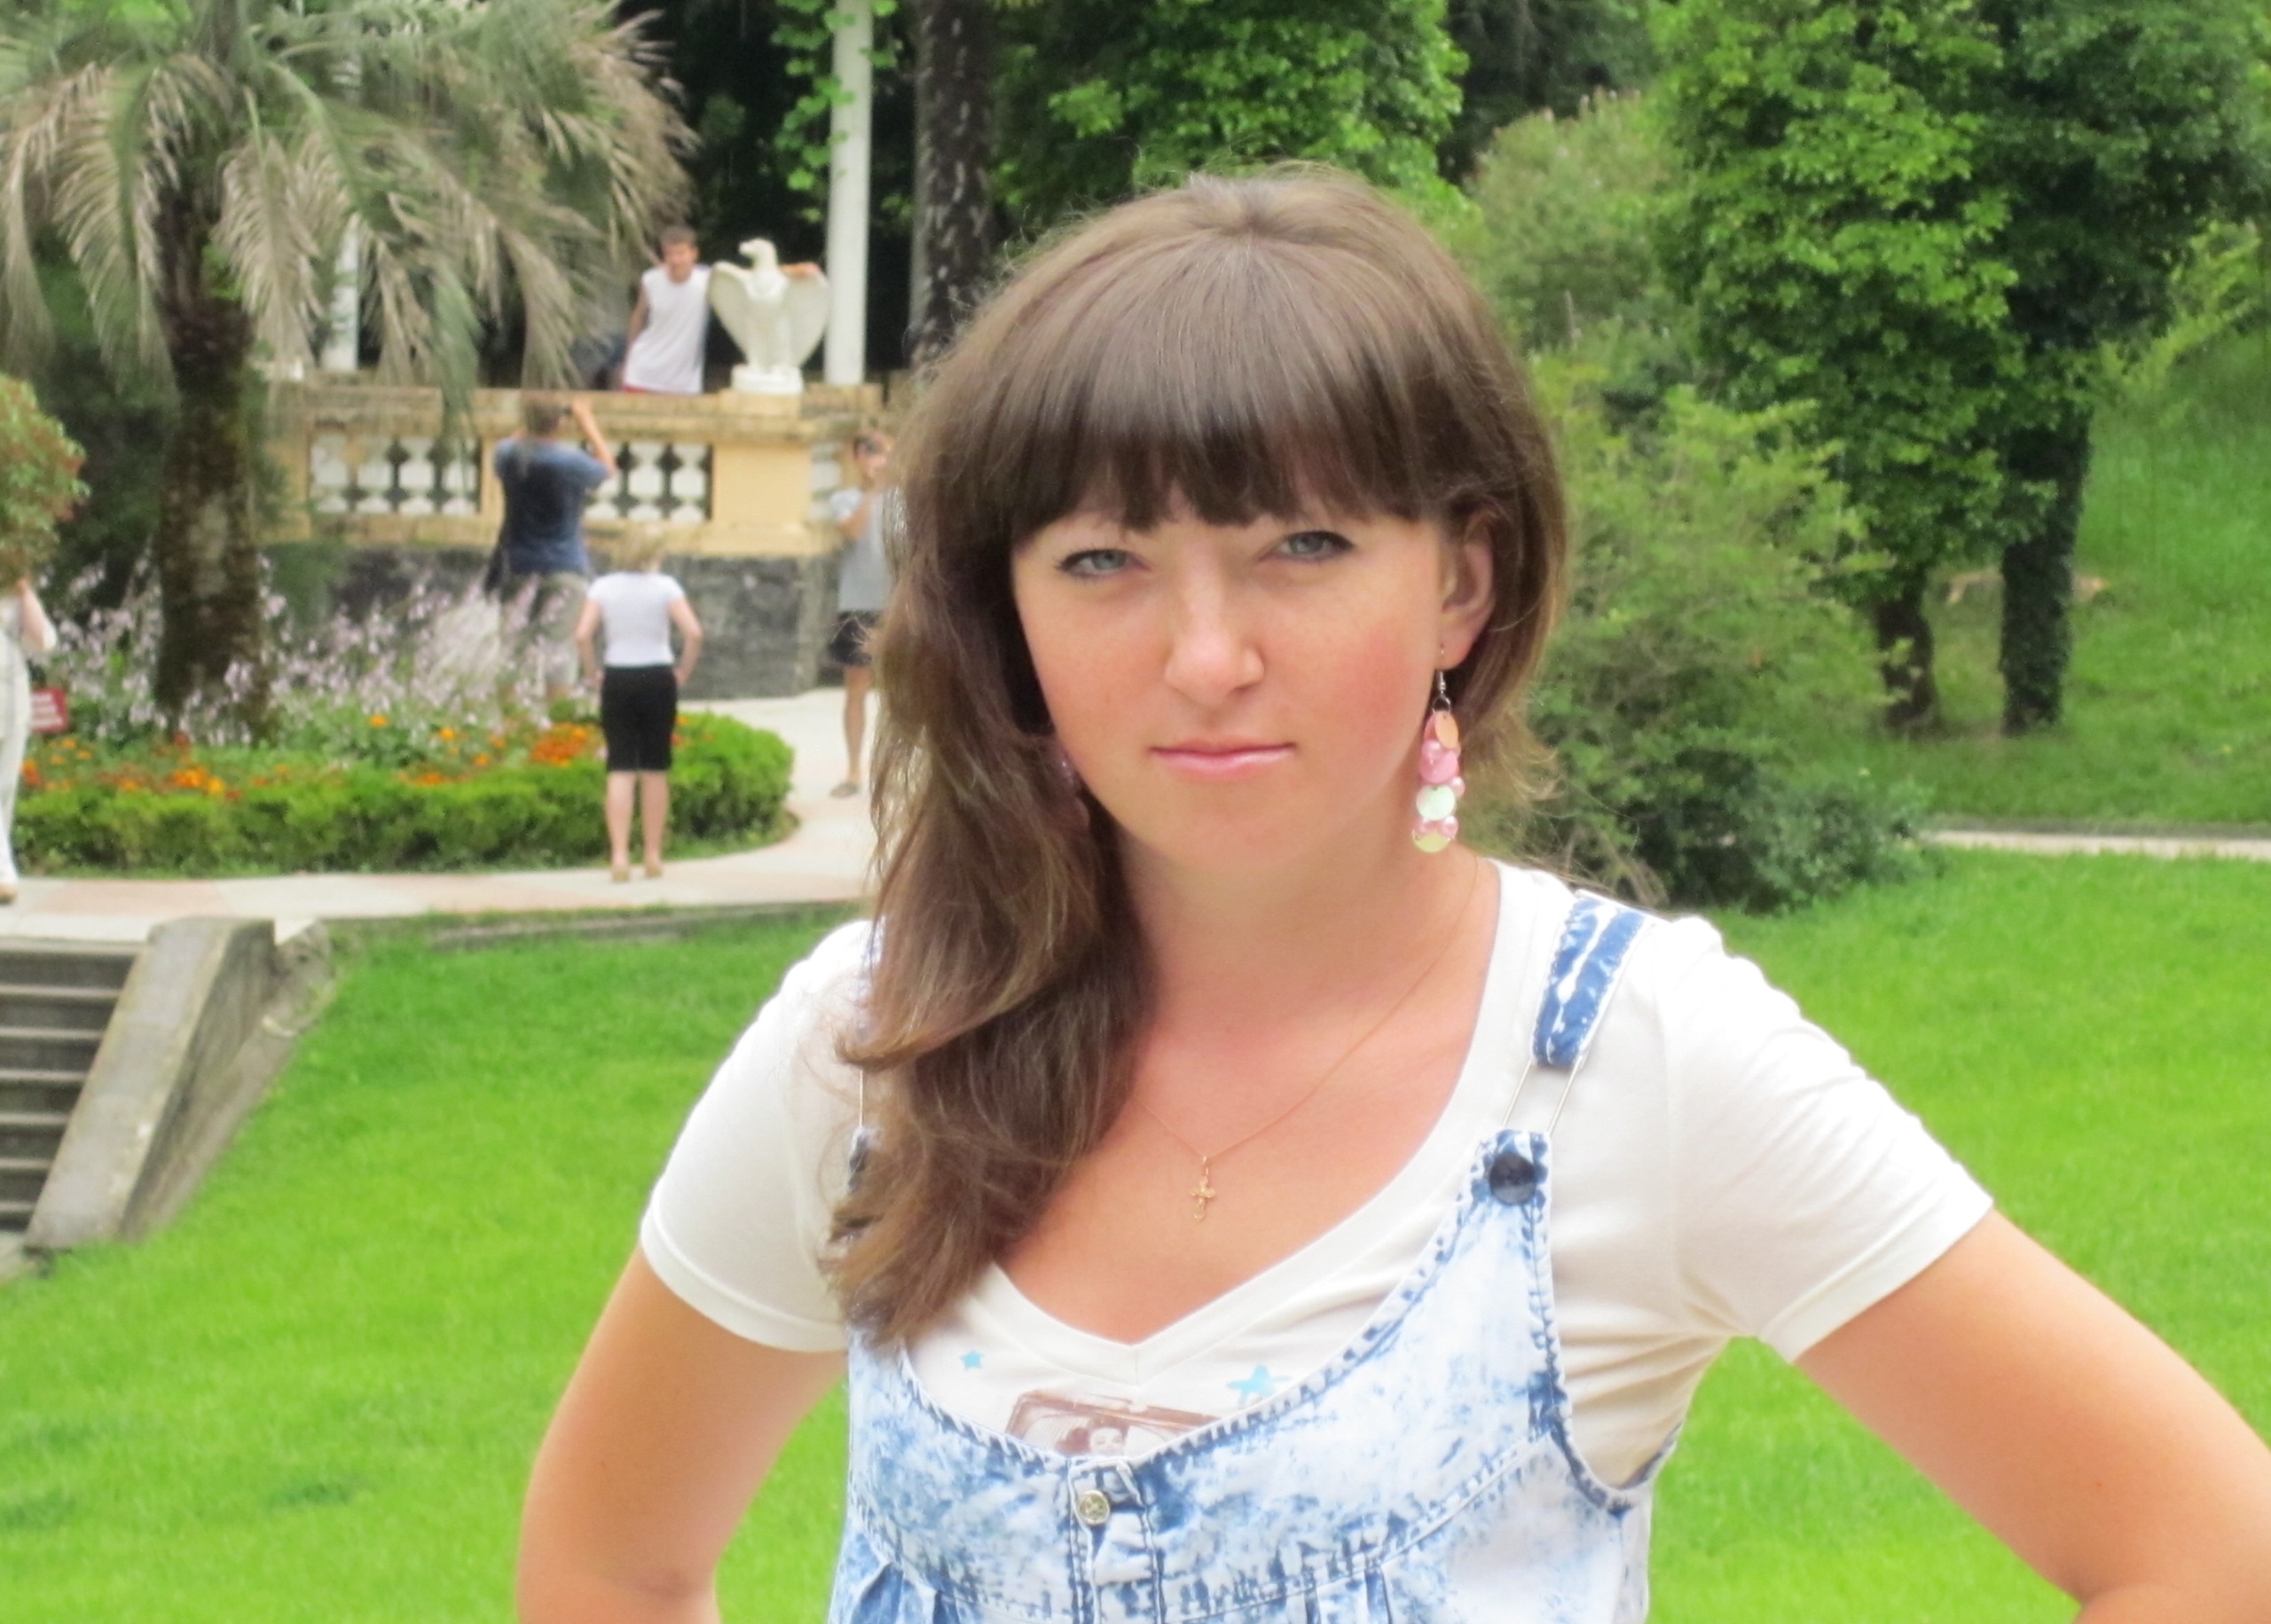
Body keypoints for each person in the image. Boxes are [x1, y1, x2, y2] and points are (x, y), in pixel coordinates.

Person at [520, 175, 2271, 1623]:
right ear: (1010, 613)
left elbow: (2207, 1549)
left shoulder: (1632, 1062)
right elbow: (610, 1561)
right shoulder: (875, 1042)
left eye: (1302, 547)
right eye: (1104, 561)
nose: (1207, 656)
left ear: (1462, 583)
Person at [575, 529, 703, 883]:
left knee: (620, 766)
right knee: (655, 767)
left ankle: (619, 855)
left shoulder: (603, 587)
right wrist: (683, 671)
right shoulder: (666, 587)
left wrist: (592, 672)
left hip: (618, 675)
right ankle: (652, 854)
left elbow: (583, 635)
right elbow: (694, 633)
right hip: (658, 675)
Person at [493, 396, 616, 702]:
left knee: (512, 646)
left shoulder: (508, 455)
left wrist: (532, 422)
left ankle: (509, 718)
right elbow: (608, 468)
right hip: (565, 565)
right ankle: (558, 719)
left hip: (517, 564)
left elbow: (513, 440)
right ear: (560, 423)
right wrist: (586, 422)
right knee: (559, 650)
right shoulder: (571, 463)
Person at [826, 428, 894, 798]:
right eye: (868, 451)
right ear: (857, 458)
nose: (875, 458)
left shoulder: (907, 500)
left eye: (881, 450)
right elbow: (852, 531)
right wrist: (872, 492)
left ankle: (895, 771)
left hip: (898, 607)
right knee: (856, 690)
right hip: (858, 606)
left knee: (903, 694)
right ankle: (854, 770)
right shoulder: (844, 499)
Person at [0, 576, 56, 905]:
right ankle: (3, 872)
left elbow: (43, 640)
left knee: (5, 788)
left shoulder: (14, 593)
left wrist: (24, 589)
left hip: (11, 700)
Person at [619, 226, 713, 396]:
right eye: (669, 254)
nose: (675, 260)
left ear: (694, 254)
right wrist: (628, 358)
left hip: (684, 380)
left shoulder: (708, 281)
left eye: (680, 254)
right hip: (642, 373)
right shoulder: (651, 279)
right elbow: (639, 317)